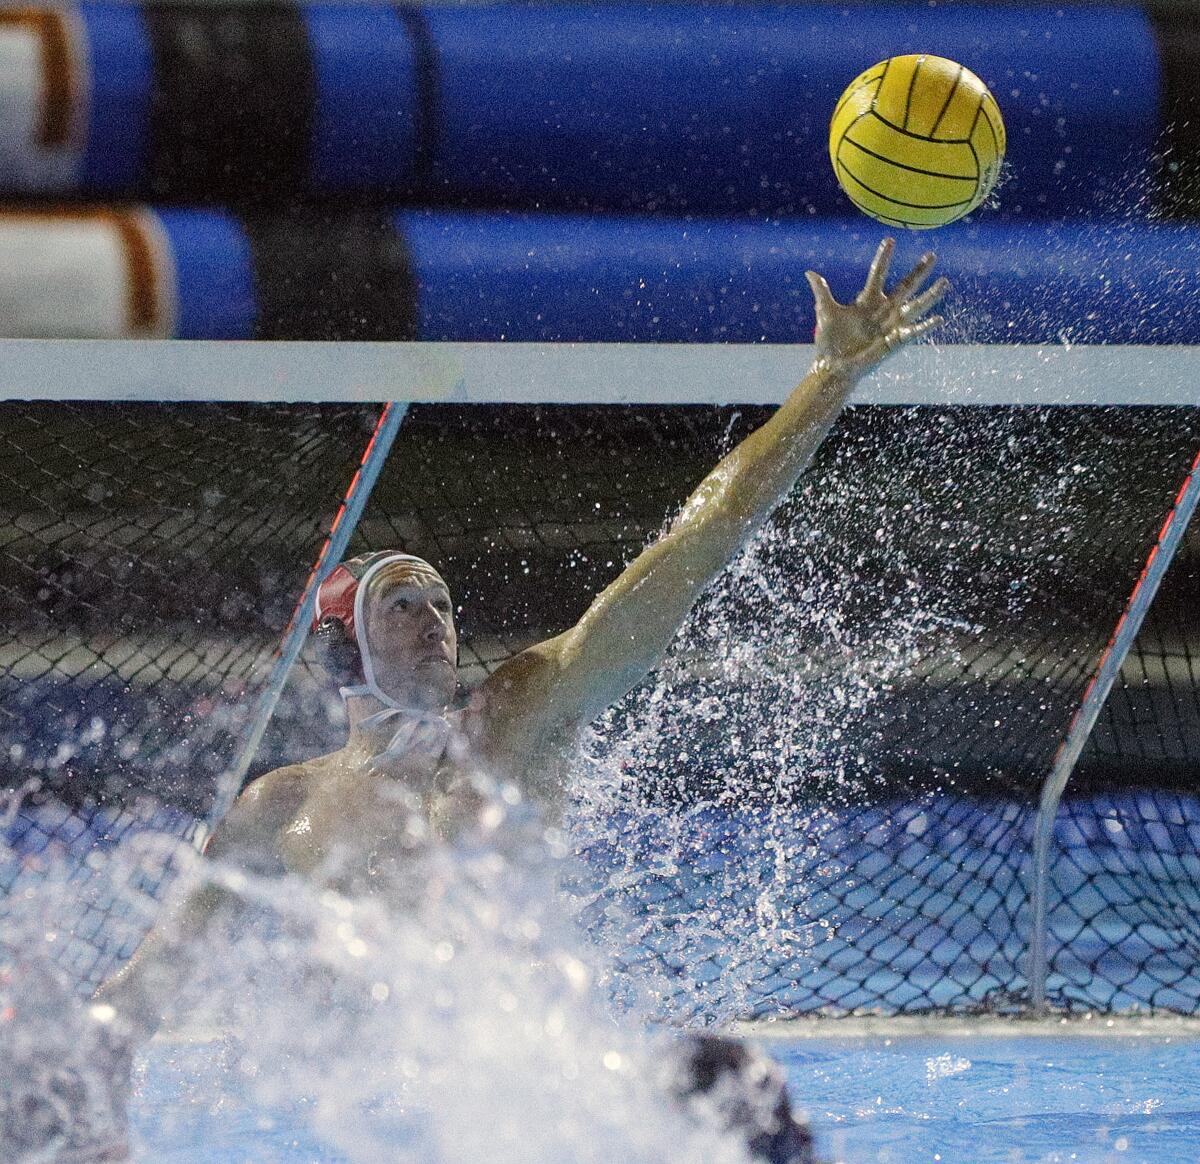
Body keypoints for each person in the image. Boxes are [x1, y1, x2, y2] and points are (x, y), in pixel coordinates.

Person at [82, 239, 944, 1157]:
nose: (435, 622)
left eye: (444, 603)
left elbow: (702, 540)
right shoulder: (277, 806)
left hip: (517, 1104)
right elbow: (140, 994)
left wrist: (828, 382)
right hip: (360, 1122)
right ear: (339, 652)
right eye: (402, 606)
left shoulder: (515, 717)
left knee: (726, 1080)